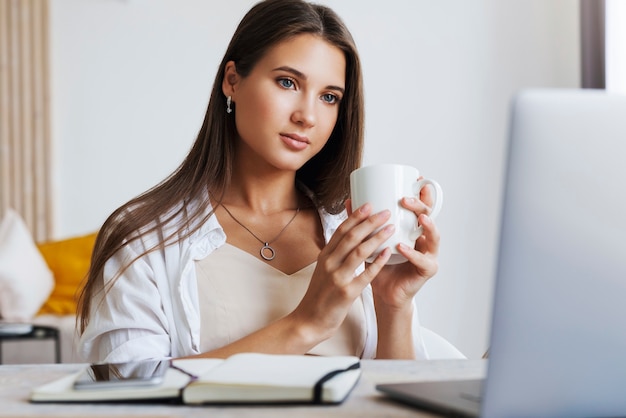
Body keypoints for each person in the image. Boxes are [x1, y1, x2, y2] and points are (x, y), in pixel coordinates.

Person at [77, 0, 440, 363]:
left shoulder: (354, 238)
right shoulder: (144, 239)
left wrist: (394, 305)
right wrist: (305, 325)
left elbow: (402, 400)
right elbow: (129, 394)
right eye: (287, 82)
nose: (307, 116)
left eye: (329, 97)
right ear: (232, 80)